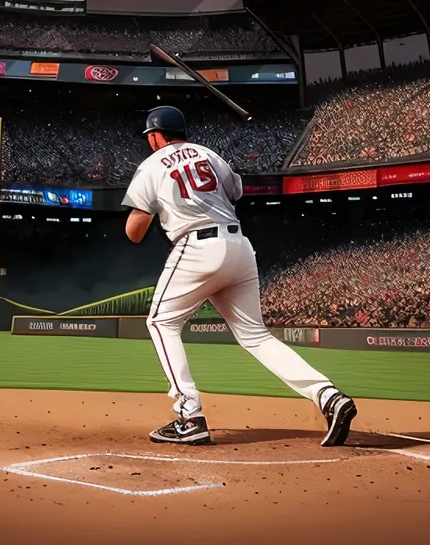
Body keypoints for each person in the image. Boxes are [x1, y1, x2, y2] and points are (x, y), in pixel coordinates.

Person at [122, 106, 356, 447]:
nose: (149, 143)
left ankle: (190, 415)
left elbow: (134, 231)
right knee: (256, 336)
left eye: (149, 137)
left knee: (161, 323)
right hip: (239, 246)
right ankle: (330, 397)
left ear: (156, 135)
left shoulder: (151, 165)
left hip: (198, 246)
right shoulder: (210, 155)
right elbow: (235, 193)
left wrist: (161, 214)